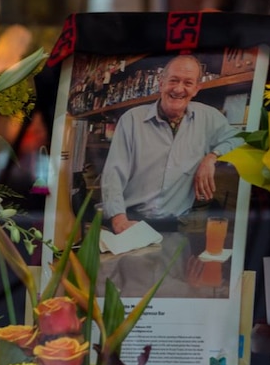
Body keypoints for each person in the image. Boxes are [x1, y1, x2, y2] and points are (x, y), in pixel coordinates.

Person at [101, 55, 243, 234]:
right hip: (132, 220)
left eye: (188, 83)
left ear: (196, 89)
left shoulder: (209, 117)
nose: (178, 89)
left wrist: (212, 156)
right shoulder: (131, 120)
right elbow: (113, 173)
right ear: (161, 83)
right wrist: (118, 219)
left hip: (176, 226)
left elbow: (239, 138)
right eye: (173, 80)